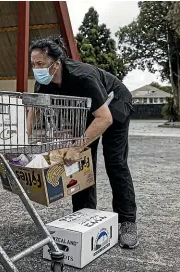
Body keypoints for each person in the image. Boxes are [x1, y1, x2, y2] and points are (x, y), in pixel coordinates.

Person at [28, 36, 139, 249]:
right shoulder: (43, 82)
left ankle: (127, 221)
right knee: (79, 162)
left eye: (40, 64)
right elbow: (33, 110)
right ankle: (84, 215)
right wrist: (24, 140)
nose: (36, 69)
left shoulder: (83, 76)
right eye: (33, 64)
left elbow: (105, 118)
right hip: (89, 112)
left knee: (115, 162)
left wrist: (76, 145)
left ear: (56, 63)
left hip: (114, 103)